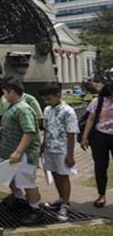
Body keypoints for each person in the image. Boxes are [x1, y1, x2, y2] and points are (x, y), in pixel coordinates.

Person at [0, 77, 43, 225]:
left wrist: (18, 151)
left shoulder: (23, 109)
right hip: (11, 152)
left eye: (5, 93)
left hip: (23, 154)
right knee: (12, 179)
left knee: (26, 181)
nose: (4, 96)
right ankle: (19, 199)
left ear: (12, 92)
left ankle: (36, 209)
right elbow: (12, 127)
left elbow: (29, 131)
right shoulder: (13, 107)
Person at [39, 83, 78, 221]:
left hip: (62, 150)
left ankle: (66, 204)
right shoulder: (47, 110)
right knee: (55, 174)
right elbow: (47, 130)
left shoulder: (68, 111)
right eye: (45, 100)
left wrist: (70, 155)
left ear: (58, 95)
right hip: (50, 149)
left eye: (49, 99)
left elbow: (71, 134)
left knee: (63, 176)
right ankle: (61, 199)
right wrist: (43, 146)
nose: (47, 102)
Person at [80, 82, 113, 208]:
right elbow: (91, 119)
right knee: (100, 166)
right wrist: (85, 137)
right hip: (100, 136)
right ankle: (101, 195)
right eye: (111, 95)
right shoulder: (98, 101)